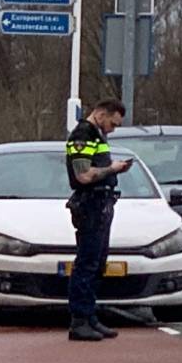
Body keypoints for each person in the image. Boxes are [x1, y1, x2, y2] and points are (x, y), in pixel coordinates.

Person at [65, 99, 134, 341]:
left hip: (102, 203)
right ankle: (79, 320)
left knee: (97, 262)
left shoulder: (97, 135)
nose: (112, 129)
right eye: (112, 124)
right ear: (102, 114)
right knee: (86, 263)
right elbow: (83, 174)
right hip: (89, 203)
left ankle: (90, 315)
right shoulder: (83, 134)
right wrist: (112, 169)